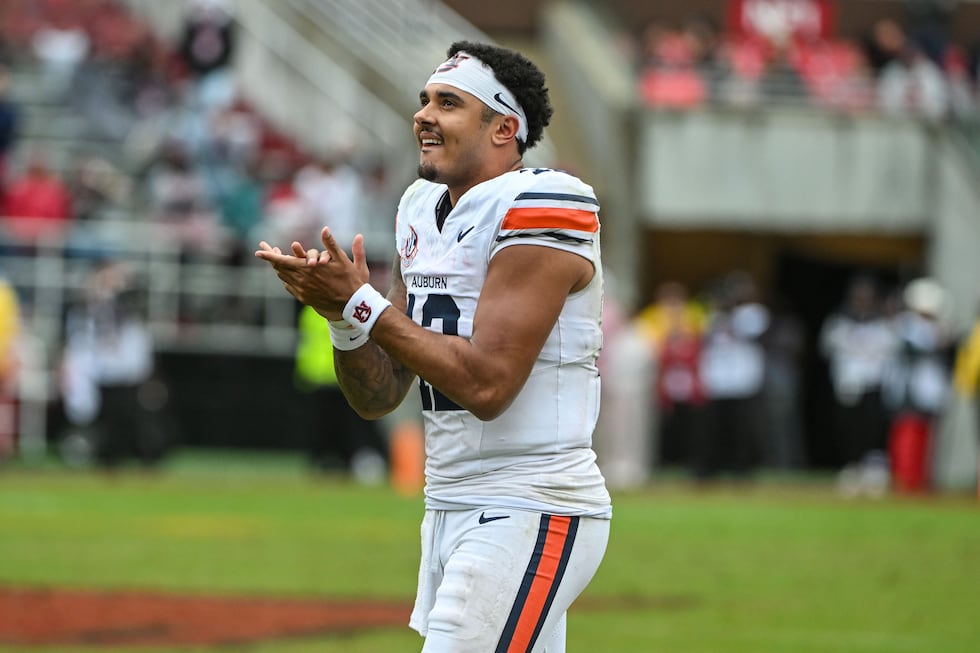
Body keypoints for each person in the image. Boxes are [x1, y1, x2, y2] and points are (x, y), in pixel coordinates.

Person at [256, 41, 611, 653]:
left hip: (530, 501)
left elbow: (486, 386)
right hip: (449, 502)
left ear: (505, 128)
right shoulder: (420, 206)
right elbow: (380, 393)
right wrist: (344, 318)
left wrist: (363, 304)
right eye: (424, 100)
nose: (423, 114)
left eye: (448, 102)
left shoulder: (546, 203)